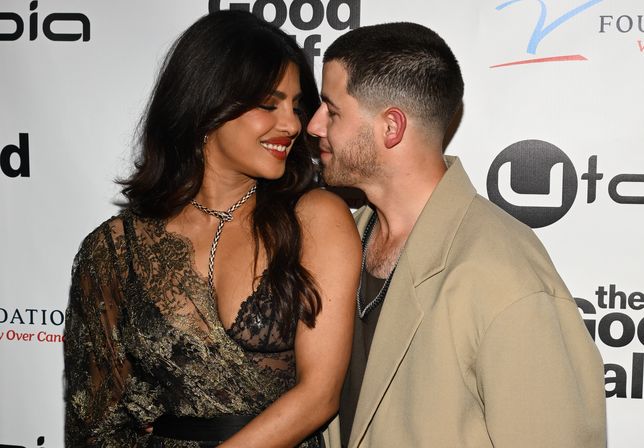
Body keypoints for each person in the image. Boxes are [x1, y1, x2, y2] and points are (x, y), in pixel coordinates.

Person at [63, 10, 361, 448]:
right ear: (207, 105)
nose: (294, 124)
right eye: (268, 104)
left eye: (296, 105)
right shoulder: (114, 250)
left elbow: (319, 396)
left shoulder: (315, 218)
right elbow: (95, 422)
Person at [307, 22, 607, 448]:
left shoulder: (505, 277)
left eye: (332, 110)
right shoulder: (342, 241)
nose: (314, 126)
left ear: (391, 127)